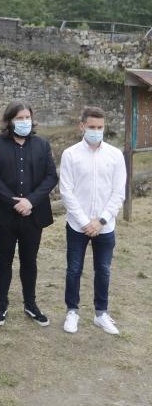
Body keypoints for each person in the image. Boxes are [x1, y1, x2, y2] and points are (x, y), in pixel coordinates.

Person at [0, 101, 58, 327]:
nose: (24, 121)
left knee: (30, 260)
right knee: (4, 260)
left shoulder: (42, 145)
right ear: (9, 121)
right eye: (19, 118)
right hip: (5, 215)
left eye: (27, 117)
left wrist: (30, 201)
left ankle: (30, 303)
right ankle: (1, 303)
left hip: (32, 215)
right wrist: (12, 201)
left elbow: (50, 177)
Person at [59, 106, 126, 335]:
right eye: (92, 127)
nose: (96, 131)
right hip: (78, 225)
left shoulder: (115, 155)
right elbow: (66, 191)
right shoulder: (70, 154)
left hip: (105, 226)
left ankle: (101, 313)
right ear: (82, 126)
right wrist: (85, 221)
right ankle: (72, 311)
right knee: (74, 269)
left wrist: (102, 221)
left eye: (100, 127)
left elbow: (119, 192)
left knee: (104, 270)